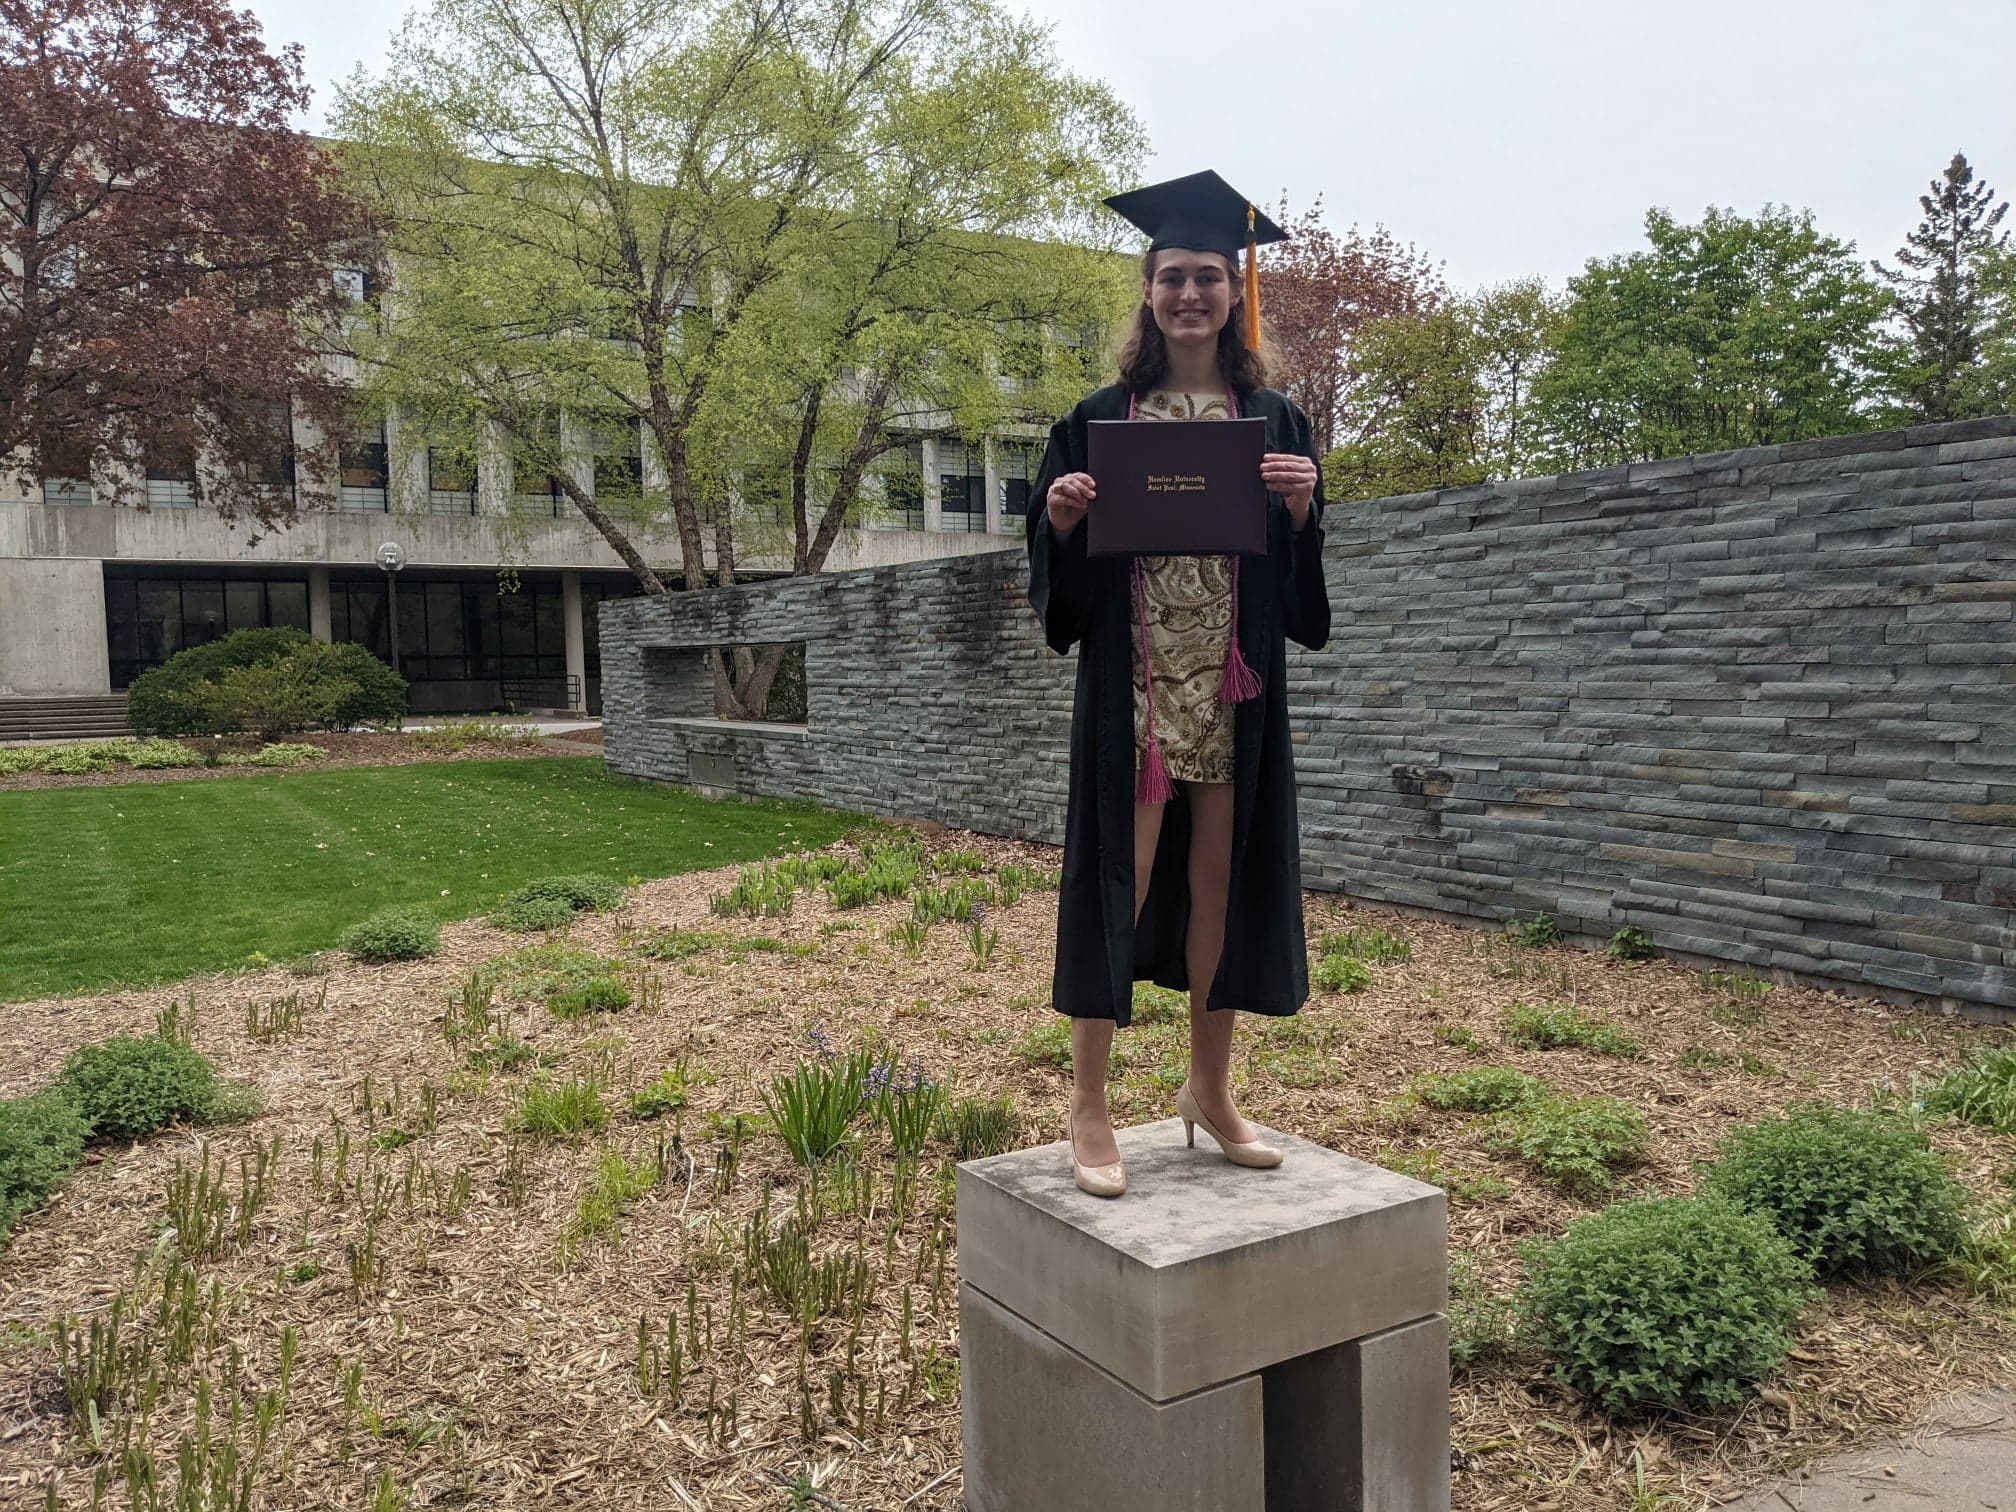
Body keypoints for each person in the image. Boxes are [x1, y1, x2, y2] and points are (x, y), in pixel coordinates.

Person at [1026, 169, 1332, 1198]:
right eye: (1171, 278)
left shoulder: (1276, 417)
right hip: (1138, 692)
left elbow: (1303, 588)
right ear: (1148, 291)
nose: (1190, 293)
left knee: (1221, 883)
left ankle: (1209, 1089)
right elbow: (1059, 579)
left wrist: (1301, 508)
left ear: (1233, 291)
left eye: (1207, 276)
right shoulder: (1098, 416)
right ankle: (1090, 1105)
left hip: (1233, 690)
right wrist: (1061, 520)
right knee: (1125, 877)